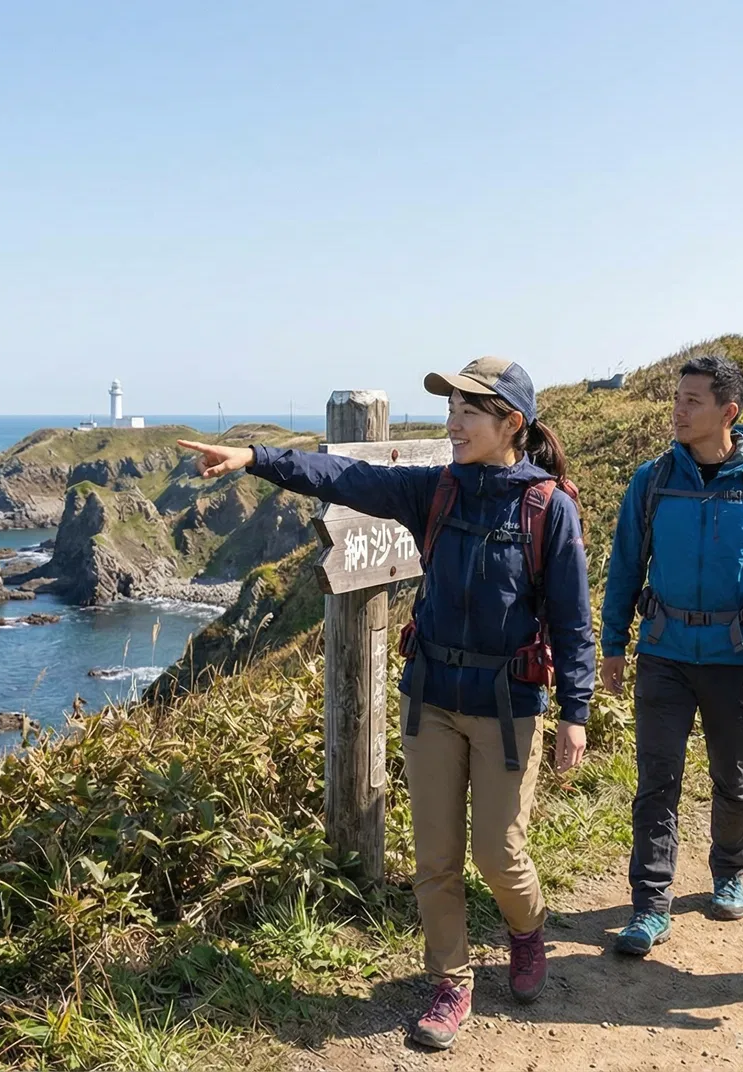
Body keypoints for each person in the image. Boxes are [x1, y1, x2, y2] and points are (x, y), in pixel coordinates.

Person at [178, 357, 594, 1051]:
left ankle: (526, 930)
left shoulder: (548, 508)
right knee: (433, 856)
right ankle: (451, 981)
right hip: (430, 696)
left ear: (511, 424)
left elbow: (574, 623)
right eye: (451, 409)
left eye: (468, 412)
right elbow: (343, 477)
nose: (452, 424)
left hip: (508, 703)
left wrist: (574, 713)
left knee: (499, 853)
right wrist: (252, 456)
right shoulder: (436, 491)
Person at [599, 354, 743, 956]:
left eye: (693, 401)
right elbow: (624, 566)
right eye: (677, 397)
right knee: (655, 781)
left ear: (728, 411)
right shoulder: (653, 479)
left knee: (733, 778)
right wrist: (614, 644)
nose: (678, 409)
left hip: (735, 655)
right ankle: (649, 904)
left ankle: (729, 871)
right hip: (662, 650)